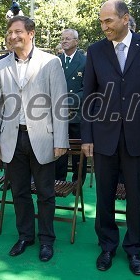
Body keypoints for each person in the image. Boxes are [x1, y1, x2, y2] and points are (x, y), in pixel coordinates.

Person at [81, 0, 140, 275]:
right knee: (104, 195)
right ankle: (107, 246)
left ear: (125, 18)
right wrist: (87, 137)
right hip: (103, 137)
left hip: (138, 137)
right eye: (101, 22)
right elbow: (89, 97)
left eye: (109, 21)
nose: (104, 26)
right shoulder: (95, 51)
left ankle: (134, 249)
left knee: (136, 197)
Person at [0, 15, 69, 262]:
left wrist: (61, 140)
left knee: (45, 192)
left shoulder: (51, 62)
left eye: (18, 31)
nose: (13, 36)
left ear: (31, 33)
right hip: (12, 139)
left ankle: (47, 240)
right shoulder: (0, 66)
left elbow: (60, 103)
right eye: (10, 32)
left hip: (43, 138)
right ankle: (25, 236)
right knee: (19, 192)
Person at [55, 28, 87, 183]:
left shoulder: (85, 61)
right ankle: (59, 179)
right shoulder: (55, 61)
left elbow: (86, 88)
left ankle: (78, 179)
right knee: (60, 146)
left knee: (78, 149)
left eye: (68, 38)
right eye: (62, 38)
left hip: (77, 112)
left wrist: (68, 103)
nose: (64, 41)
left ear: (76, 41)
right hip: (58, 112)